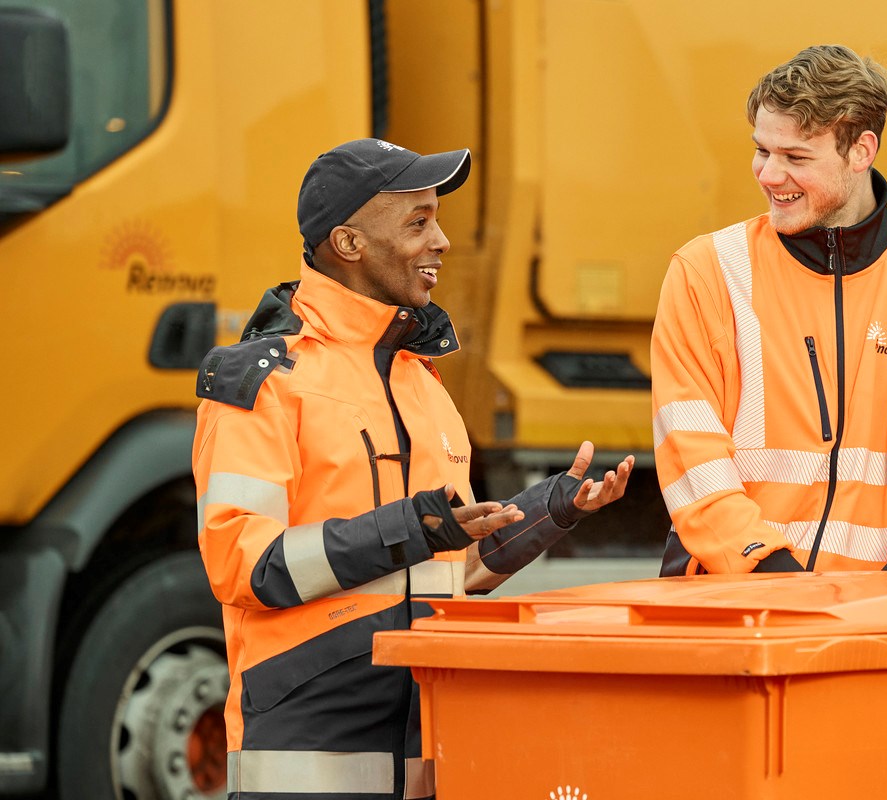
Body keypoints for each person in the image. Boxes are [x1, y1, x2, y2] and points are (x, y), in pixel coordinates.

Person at [193, 138, 633, 800]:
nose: (443, 241)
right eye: (418, 222)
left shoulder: (423, 382)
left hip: (423, 735)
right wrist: (416, 526)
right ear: (349, 242)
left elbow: (453, 569)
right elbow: (244, 564)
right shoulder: (264, 380)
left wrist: (551, 511)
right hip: (309, 745)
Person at [651, 45, 887, 575]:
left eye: (795, 158)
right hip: (729, 604)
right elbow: (690, 453)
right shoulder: (707, 271)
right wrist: (766, 570)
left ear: (861, 151)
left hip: (879, 611)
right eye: (762, 151)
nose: (770, 175)